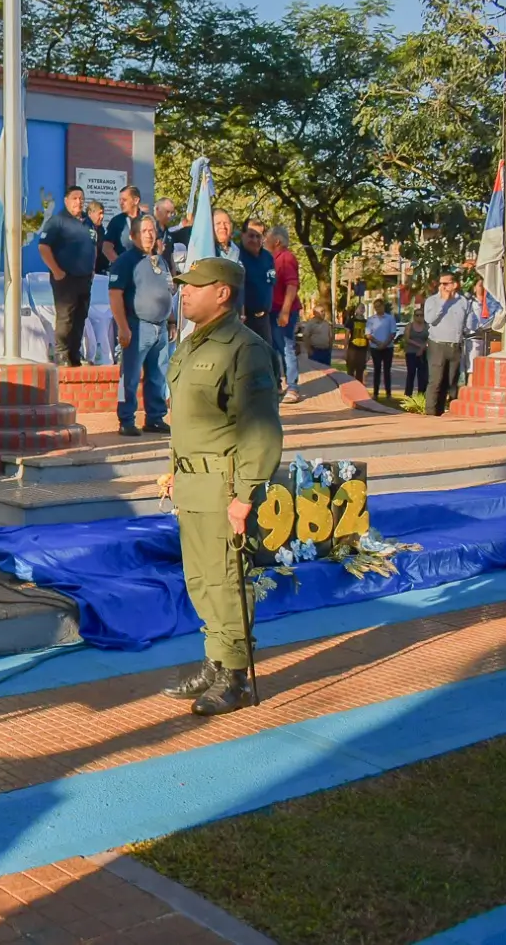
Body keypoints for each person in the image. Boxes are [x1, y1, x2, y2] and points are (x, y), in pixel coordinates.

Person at [160, 256, 283, 717]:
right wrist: (175, 469)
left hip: (224, 485)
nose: (185, 292)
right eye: (184, 285)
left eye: (195, 285)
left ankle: (235, 677)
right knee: (200, 581)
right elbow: (189, 421)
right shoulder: (191, 344)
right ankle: (214, 662)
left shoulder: (244, 348)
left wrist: (246, 494)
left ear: (223, 293)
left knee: (227, 581)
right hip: (192, 482)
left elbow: (261, 429)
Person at [109, 215, 175, 437]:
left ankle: (155, 418)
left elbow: (168, 292)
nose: (149, 234)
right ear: (133, 235)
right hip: (137, 327)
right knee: (130, 376)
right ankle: (126, 420)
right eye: (144, 230)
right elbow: (115, 295)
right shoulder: (126, 261)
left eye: (152, 230)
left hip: (161, 328)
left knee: (157, 375)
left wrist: (172, 320)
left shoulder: (161, 261)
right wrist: (123, 327)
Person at [38, 186, 97, 367]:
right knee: (66, 317)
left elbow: (93, 247)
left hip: (84, 278)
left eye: (81, 198)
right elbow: (43, 247)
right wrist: (57, 271)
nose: (78, 202)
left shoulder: (88, 223)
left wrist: (92, 269)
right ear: (66, 201)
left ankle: (74, 354)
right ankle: (61, 354)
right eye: (74, 198)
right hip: (66, 279)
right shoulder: (57, 221)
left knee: (80, 317)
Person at [423, 272, 475, 416]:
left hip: (455, 346)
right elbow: (430, 319)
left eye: (445, 284)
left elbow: (469, 323)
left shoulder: (463, 301)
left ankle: (444, 412)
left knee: (451, 382)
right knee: (436, 381)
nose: (442, 287)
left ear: (455, 285)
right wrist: (443, 302)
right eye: (440, 284)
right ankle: (430, 414)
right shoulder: (433, 300)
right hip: (437, 345)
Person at [266, 225, 301, 403]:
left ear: (277, 241)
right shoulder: (272, 259)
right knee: (275, 348)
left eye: (267, 237)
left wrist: (285, 311)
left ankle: (293, 387)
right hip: (272, 311)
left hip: (283, 311)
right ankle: (278, 384)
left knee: (286, 347)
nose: (264, 240)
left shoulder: (286, 258)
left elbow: (292, 285)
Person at [236, 220, 276, 343]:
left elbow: (271, 282)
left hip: (264, 320)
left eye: (258, 236)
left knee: (265, 357)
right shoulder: (236, 255)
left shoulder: (268, 257)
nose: (254, 240)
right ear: (243, 235)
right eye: (251, 235)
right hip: (243, 319)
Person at [100, 185, 151, 271]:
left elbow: (156, 247)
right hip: (123, 271)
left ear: (136, 200)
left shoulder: (147, 221)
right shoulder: (116, 221)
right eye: (120, 200)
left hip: (144, 271)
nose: (121, 203)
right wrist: (122, 264)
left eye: (124, 200)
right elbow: (106, 248)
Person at [366, 299, 397, 400]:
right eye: (375, 307)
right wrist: (379, 343)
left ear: (383, 306)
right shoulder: (371, 319)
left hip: (388, 348)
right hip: (375, 348)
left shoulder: (390, 318)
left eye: (379, 306)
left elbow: (393, 333)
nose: (377, 309)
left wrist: (385, 344)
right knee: (377, 370)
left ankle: (388, 394)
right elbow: (368, 335)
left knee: (387, 370)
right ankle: (375, 394)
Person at [404, 305, 430, 398]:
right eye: (417, 315)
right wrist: (419, 346)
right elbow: (407, 339)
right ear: (414, 316)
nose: (419, 317)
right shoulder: (409, 326)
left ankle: (421, 395)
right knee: (411, 373)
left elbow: (430, 339)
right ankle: (408, 395)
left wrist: (422, 348)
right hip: (411, 353)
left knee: (422, 375)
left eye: (421, 315)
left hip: (424, 353)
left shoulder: (427, 326)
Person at [342, 303, 368, 383]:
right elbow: (346, 335)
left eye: (363, 307)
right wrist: (345, 349)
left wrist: (368, 352)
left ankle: (358, 388)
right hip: (353, 348)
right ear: (356, 310)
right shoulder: (351, 321)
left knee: (360, 370)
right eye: (360, 307)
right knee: (350, 369)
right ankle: (350, 386)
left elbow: (368, 337)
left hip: (363, 349)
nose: (362, 309)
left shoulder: (367, 322)